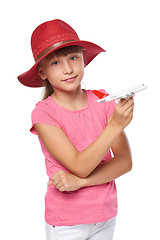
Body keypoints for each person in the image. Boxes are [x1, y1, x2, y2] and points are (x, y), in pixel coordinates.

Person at [17, 19, 134, 240]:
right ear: (42, 72)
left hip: (106, 216)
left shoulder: (102, 99)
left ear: (83, 59)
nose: (68, 69)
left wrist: (81, 183)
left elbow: (125, 162)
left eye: (73, 58)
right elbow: (79, 166)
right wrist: (115, 125)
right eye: (55, 63)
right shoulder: (44, 114)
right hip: (67, 223)